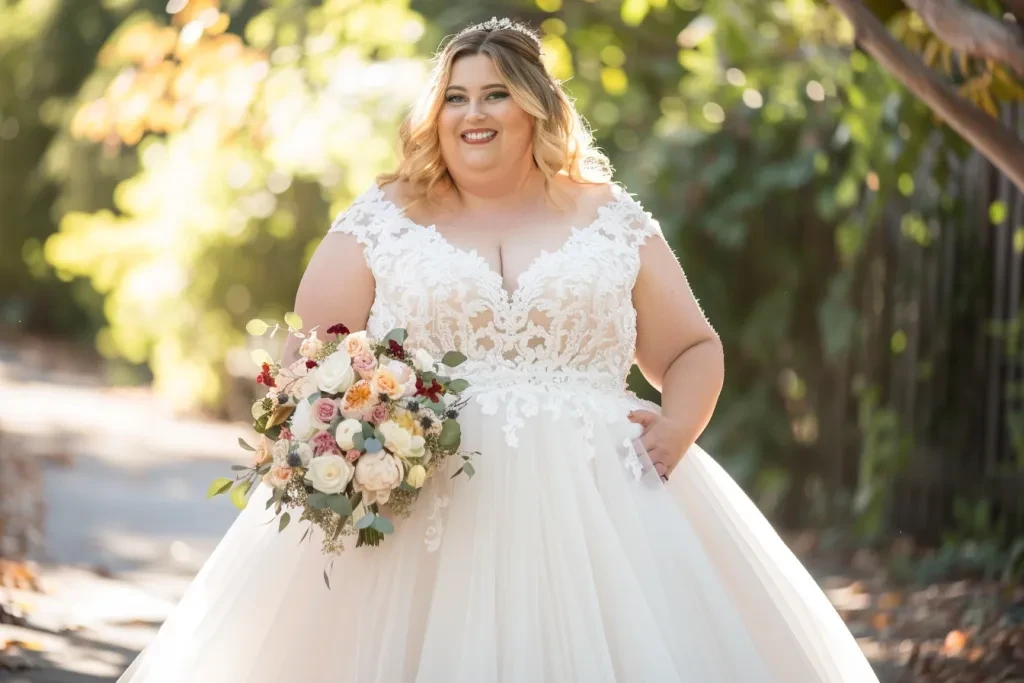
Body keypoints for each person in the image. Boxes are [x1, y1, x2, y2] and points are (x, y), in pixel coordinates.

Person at [118, 17, 879, 683]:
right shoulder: (382, 220)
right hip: (423, 512)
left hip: (606, 515)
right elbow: (309, 363)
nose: (471, 112)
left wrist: (676, 429)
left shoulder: (611, 219)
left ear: (537, 109)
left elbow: (693, 347)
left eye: (494, 94)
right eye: (454, 96)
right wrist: (349, 442)